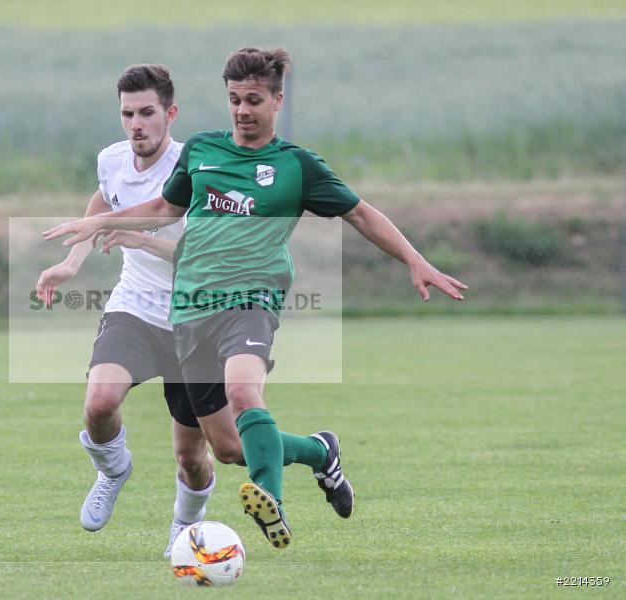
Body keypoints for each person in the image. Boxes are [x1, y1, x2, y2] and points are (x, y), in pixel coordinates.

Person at [44, 47, 467, 549]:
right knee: (226, 447)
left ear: (277, 102)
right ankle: (318, 451)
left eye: (254, 100)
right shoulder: (202, 152)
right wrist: (100, 223)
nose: (243, 110)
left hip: (251, 300)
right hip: (191, 312)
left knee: (246, 391)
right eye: (235, 100)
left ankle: (272, 501)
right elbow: (161, 207)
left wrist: (415, 259)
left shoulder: (296, 166)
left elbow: (361, 214)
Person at [34, 64, 243, 557]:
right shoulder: (111, 160)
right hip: (134, 308)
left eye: (147, 112)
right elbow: (103, 201)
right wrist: (70, 262)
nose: (136, 124)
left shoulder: (197, 168)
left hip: (195, 319)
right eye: (128, 114)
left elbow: (203, 254)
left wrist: (136, 239)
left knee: (193, 458)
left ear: (169, 114)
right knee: (100, 403)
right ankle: (113, 468)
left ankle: (184, 527)